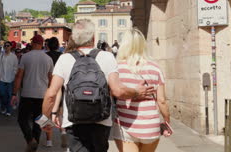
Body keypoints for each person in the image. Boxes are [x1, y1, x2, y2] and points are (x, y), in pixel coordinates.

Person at [41, 19, 155, 152]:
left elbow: (51, 94)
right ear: (93, 37)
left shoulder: (65, 58)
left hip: (73, 120)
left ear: (74, 38)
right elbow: (117, 90)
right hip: (101, 120)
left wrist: (46, 118)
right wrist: (137, 92)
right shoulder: (107, 57)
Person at [111, 28, 171, 152]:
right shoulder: (155, 68)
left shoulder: (116, 68)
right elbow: (162, 100)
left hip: (125, 124)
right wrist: (166, 120)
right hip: (150, 126)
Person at [11, 34, 54, 152]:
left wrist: (14, 93)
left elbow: (19, 76)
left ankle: (30, 140)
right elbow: (51, 79)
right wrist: (51, 95)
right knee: (39, 121)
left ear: (33, 43)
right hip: (42, 94)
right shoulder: (48, 59)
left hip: (27, 93)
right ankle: (33, 144)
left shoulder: (25, 57)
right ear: (42, 44)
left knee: (22, 119)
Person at [44, 37, 64, 148]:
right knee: (59, 112)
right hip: (60, 86)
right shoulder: (62, 56)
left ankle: (49, 140)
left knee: (46, 113)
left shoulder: (45, 56)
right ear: (57, 46)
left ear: (47, 45)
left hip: (47, 86)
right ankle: (63, 131)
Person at [0, 41, 18, 116]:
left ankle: (9, 110)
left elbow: (16, 67)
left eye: (8, 45)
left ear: (10, 46)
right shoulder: (1, 55)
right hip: (2, 78)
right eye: (5, 46)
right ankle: (3, 107)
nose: (6, 47)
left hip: (11, 78)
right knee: (2, 94)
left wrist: (15, 75)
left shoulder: (14, 57)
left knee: (9, 95)